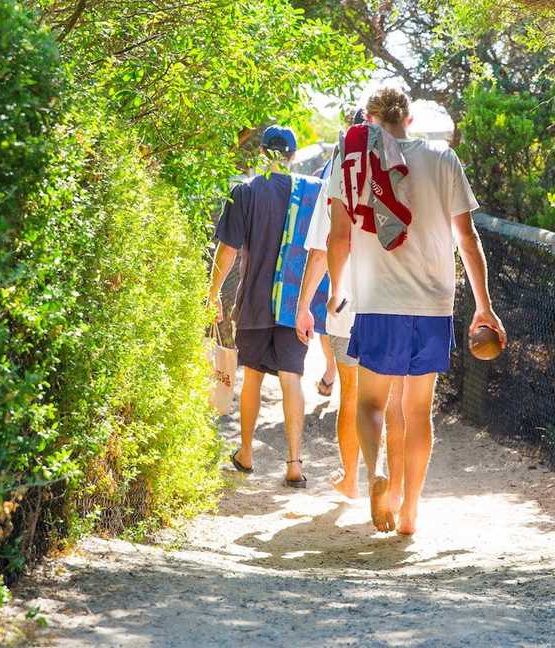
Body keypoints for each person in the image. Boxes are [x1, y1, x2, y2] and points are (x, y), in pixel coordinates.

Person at [324, 87, 506, 534]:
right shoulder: (443, 159)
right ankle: (409, 514)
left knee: (371, 402)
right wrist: (484, 306)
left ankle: (377, 470)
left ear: (369, 119)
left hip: (377, 301)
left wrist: (335, 289)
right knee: (417, 411)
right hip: (432, 304)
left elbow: (339, 237)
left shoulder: (351, 161)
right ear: (409, 118)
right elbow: (467, 238)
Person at [296, 108, 405, 506]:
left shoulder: (338, 178)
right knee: (392, 399)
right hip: (394, 302)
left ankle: (355, 480)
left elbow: (325, 249)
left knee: (352, 396)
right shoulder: (400, 174)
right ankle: (393, 488)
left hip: (347, 307)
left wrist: (304, 305)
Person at [208, 125, 314, 489]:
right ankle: (295, 464)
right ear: (292, 156)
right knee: (292, 378)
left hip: (253, 301)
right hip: (294, 303)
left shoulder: (245, 192)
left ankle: (247, 454)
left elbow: (228, 249)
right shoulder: (309, 193)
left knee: (252, 374)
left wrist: (213, 294)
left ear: (262, 152)